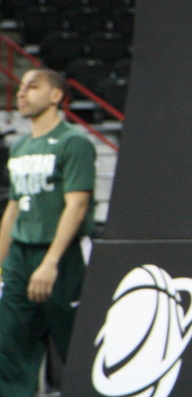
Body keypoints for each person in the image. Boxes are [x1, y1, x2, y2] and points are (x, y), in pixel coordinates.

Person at [0, 68, 95, 396]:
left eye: (33, 86)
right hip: (20, 257)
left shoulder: (74, 143)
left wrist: (51, 262)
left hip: (60, 258)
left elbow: (77, 205)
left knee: (77, 348)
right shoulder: (19, 146)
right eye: (21, 87)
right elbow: (13, 208)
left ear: (56, 96)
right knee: (10, 348)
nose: (21, 93)